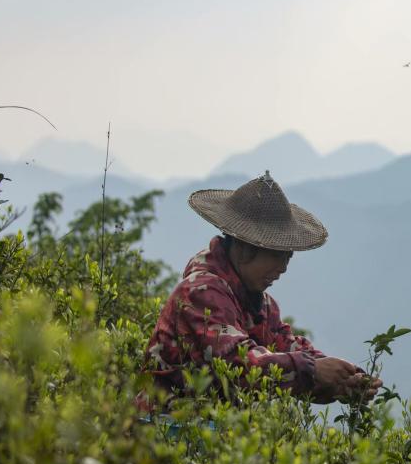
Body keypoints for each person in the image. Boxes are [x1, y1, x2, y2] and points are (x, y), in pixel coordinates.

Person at [142, 172, 380, 405]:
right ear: (246, 248)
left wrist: (339, 379)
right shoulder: (201, 292)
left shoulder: (259, 303)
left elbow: (285, 347)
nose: (283, 268)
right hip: (161, 429)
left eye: (288, 257)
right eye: (277, 255)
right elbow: (238, 364)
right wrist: (314, 370)